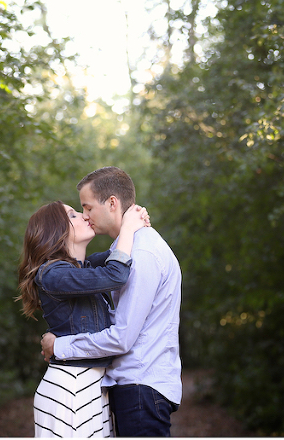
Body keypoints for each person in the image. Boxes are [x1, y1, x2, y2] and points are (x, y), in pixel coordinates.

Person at [41, 167, 182, 437]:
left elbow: (122, 338)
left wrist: (59, 344)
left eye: (88, 207)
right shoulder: (126, 250)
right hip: (136, 386)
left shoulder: (140, 254)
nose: (85, 216)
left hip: (140, 386)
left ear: (113, 203)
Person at [17, 200, 150, 438]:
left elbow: (121, 255)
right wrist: (128, 228)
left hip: (91, 387)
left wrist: (136, 223)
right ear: (56, 231)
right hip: (69, 390)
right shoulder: (52, 274)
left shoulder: (82, 268)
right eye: (74, 215)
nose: (84, 216)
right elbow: (116, 274)